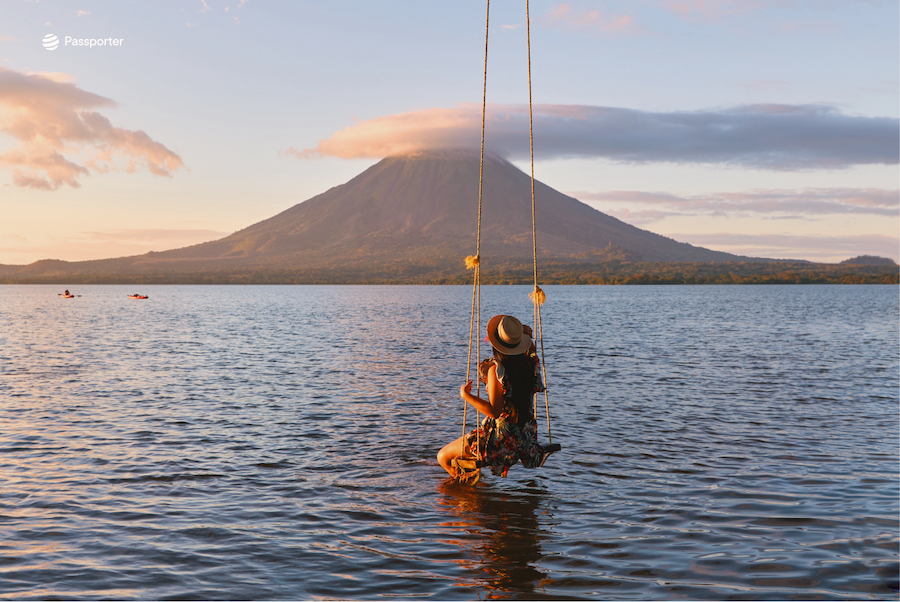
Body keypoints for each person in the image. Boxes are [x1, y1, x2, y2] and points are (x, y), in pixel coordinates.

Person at [438, 314, 547, 479]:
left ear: (495, 344)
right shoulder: (529, 364)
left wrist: (466, 395)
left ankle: (467, 492)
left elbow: (494, 411)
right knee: (461, 456)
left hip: (499, 443)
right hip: (525, 441)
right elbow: (531, 350)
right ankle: (473, 489)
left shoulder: (496, 371)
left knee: (443, 457)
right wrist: (525, 337)